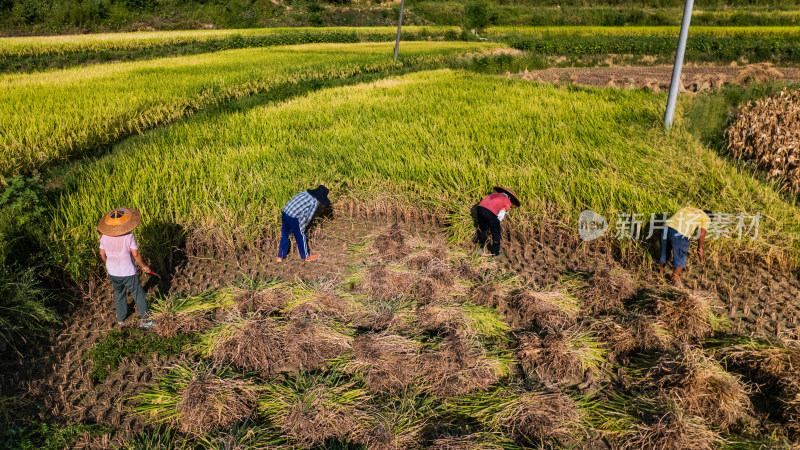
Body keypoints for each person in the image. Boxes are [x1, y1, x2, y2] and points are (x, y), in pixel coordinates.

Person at [97, 207, 154, 328]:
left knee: (119, 293)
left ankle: (121, 319)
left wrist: (108, 263)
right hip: (128, 271)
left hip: (113, 272)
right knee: (138, 293)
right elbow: (136, 254)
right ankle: (145, 321)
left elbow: (102, 253)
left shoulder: (104, 236)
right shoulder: (129, 237)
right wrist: (144, 266)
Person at [659, 207, 713, 288]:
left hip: (665, 227)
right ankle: (673, 280)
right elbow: (701, 234)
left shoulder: (688, 208)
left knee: (664, 252)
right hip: (680, 232)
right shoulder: (706, 218)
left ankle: (660, 275)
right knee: (681, 255)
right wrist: (700, 247)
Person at [277, 185, 331, 262]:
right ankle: (306, 256)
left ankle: (280, 256)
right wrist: (303, 227)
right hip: (294, 216)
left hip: (285, 211)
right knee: (301, 235)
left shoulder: (304, 193)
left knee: (285, 234)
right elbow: (308, 217)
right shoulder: (314, 202)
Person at [476, 186, 521, 256]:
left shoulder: (493, 195)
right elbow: (503, 212)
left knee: (482, 228)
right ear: (510, 197)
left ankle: (481, 245)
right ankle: (495, 252)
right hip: (489, 211)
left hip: (480, 208)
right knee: (496, 231)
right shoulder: (507, 200)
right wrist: (496, 222)